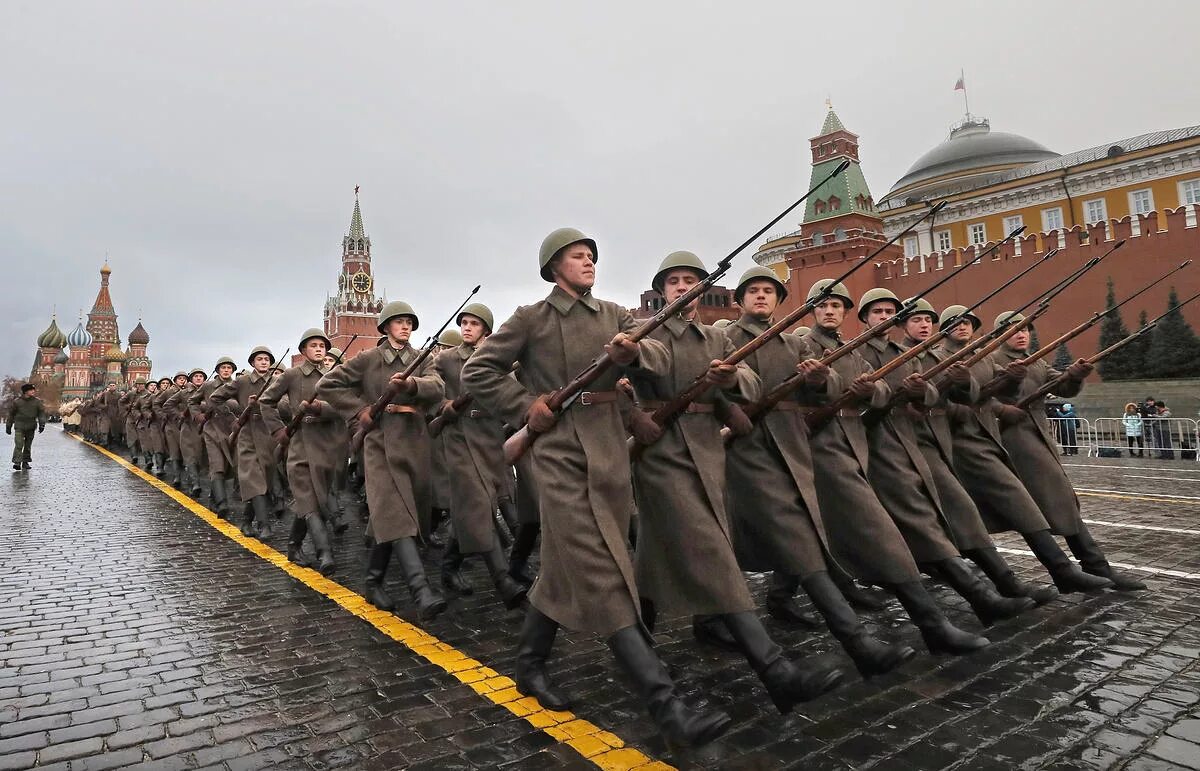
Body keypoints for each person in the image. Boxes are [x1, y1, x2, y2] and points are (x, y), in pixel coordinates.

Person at [462, 228, 732, 748]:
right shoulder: (530, 318)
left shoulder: (614, 314)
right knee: (605, 572)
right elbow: (480, 370)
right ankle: (667, 707)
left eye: (591, 256)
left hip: (608, 456)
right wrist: (526, 406)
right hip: (560, 456)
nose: (588, 263)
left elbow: (656, 350)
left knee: (568, 567)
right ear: (552, 267)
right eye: (577, 256)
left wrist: (631, 355)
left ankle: (530, 663)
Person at [628, 254, 846, 711]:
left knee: (655, 549)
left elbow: (747, 383)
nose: (683, 288)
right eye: (674, 282)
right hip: (661, 455)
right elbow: (616, 381)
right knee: (711, 551)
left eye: (691, 281)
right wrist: (634, 417)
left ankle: (638, 635)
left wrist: (727, 381)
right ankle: (775, 671)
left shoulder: (713, 337)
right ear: (662, 291)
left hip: (707, 453)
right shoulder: (642, 332)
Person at [723, 267, 916, 677]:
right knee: (798, 539)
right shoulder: (724, 338)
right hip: (748, 451)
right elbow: (707, 385)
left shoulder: (793, 342)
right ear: (740, 300)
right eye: (753, 291)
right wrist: (731, 410)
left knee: (789, 536)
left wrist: (821, 378)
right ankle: (857, 641)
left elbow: (831, 391)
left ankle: (709, 615)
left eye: (768, 291)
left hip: (793, 447)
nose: (761, 297)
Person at [989, 312, 1146, 591]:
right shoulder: (991, 360)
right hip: (1015, 439)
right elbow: (975, 394)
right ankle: (1087, 566)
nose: (1021, 334)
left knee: (1058, 502)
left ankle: (1090, 567)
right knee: (1048, 502)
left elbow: (1061, 386)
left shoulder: (1035, 360)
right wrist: (1001, 409)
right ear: (999, 334)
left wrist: (1074, 376)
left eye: (1025, 329)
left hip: (1039, 437)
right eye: (1013, 330)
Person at [318, 300, 449, 621]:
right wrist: (359, 411)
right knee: (397, 514)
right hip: (380, 444)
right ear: (386, 326)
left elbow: (438, 386)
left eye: (409, 322)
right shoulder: (368, 358)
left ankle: (373, 580)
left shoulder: (422, 359)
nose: (405, 326)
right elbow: (328, 384)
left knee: (392, 516)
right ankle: (422, 590)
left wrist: (412, 384)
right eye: (399, 321)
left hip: (414, 444)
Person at [432, 303, 528, 610]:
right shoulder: (447, 358)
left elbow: (510, 391)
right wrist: (444, 405)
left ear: (486, 330)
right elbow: (430, 386)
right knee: (478, 503)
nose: (467, 328)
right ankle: (503, 580)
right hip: (458, 437)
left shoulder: (496, 360)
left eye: (474, 324)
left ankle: (449, 564)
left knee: (474, 506)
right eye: (465, 323)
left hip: (488, 438)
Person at [260, 328, 339, 575]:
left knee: (313, 500)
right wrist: (278, 431)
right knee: (310, 501)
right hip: (300, 447)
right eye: (313, 345)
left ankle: (294, 546)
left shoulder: (333, 376)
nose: (319, 349)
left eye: (322, 345)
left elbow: (341, 406)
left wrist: (321, 409)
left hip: (325, 446)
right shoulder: (292, 375)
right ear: (303, 350)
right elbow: (266, 401)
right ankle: (324, 552)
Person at [8, 383, 48, 470]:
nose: (33, 391)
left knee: (28, 445)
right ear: (25, 392)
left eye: (33, 390)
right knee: (19, 444)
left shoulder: (37, 402)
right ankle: (17, 462)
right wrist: (8, 426)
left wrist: (42, 424)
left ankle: (25, 462)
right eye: (31, 390)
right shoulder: (17, 402)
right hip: (19, 426)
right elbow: (11, 414)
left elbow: (41, 413)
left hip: (31, 426)